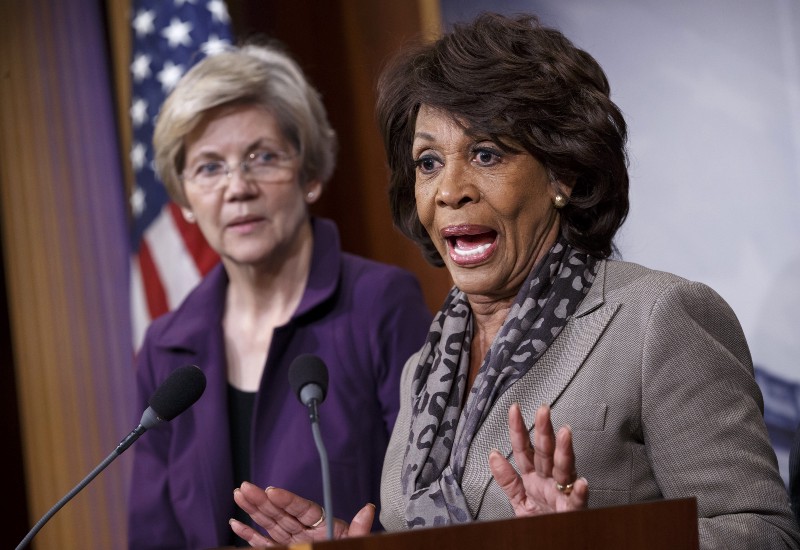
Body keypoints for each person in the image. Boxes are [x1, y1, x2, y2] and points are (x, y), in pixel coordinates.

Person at [230, 13, 800, 549]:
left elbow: (763, 533)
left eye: (485, 154)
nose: (449, 190)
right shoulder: (423, 370)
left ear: (563, 173)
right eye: (428, 162)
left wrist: (588, 542)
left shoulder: (658, 319)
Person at [127, 41, 432, 549]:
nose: (238, 188)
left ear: (309, 174)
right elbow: (153, 536)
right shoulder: (165, 346)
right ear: (184, 199)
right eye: (209, 167)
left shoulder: (381, 304)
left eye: (262, 157)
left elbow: (432, 507)